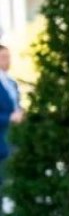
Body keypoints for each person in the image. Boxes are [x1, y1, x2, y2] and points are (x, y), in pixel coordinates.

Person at [0, 45, 23, 177]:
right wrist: (9, 117)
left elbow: (16, 105)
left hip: (14, 139)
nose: (7, 60)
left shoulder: (11, 82)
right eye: (3, 57)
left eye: (8, 57)